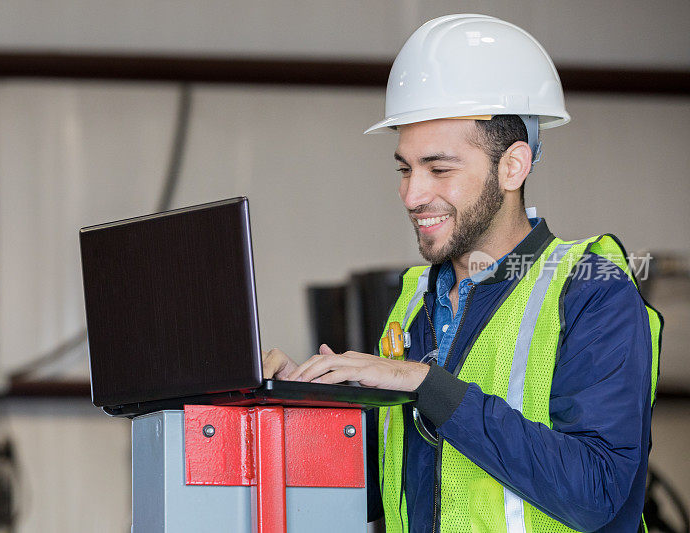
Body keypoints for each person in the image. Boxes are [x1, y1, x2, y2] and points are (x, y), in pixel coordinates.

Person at [262, 14, 663, 533]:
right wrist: (292, 409)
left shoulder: (592, 291)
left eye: (440, 169)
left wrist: (428, 384)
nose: (412, 195)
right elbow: (383, 489)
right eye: (405, 169)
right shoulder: (412, 302)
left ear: (513, 167)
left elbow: (597, 490)